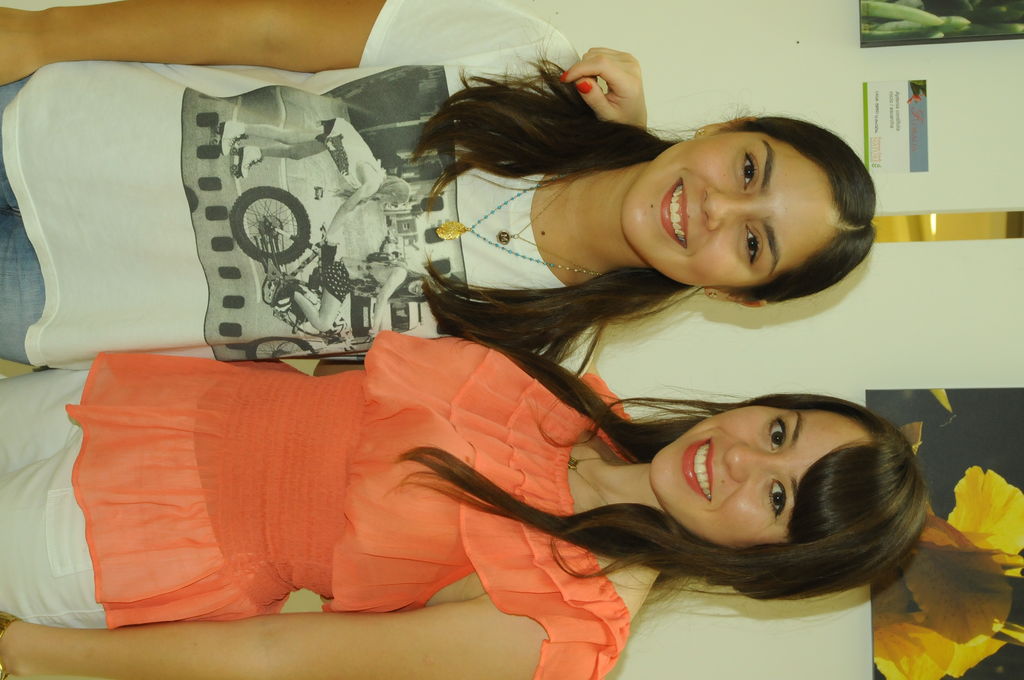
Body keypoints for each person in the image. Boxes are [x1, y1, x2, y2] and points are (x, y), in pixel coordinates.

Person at [0, 330, 925, 679]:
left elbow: (279, 655)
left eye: (776, 497)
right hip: (143, 398)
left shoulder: (567, 626)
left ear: (770, 562)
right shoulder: (578, 405)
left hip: (116, 538)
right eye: (779, 431)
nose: (739, 458)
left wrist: (32, 654)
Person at [0, 0, 875, 368]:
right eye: (748, 168)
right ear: (728, 129)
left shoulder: (531, 356)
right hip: (52, 126)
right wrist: (41, 38)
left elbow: (277, 391)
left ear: (737, 294)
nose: (717, 206)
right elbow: (272, 30)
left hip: (52, 307)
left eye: (752, 242)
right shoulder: (531, 61)